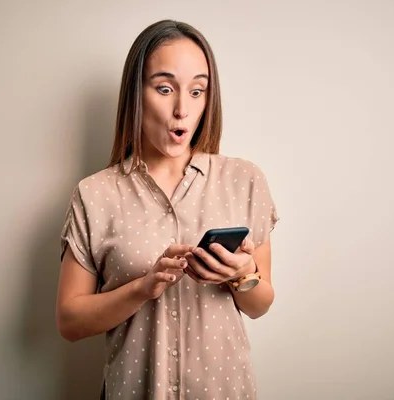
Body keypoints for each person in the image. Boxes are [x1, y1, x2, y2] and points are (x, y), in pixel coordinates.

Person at [56, 19, 279, 400]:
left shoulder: (245, 180)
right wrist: (142, 288)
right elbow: (70, 321)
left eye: (197, 91)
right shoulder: (94, 194)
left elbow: (259, 306)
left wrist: (243, 275)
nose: (182, 109)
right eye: (164, 89)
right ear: (136, 94)